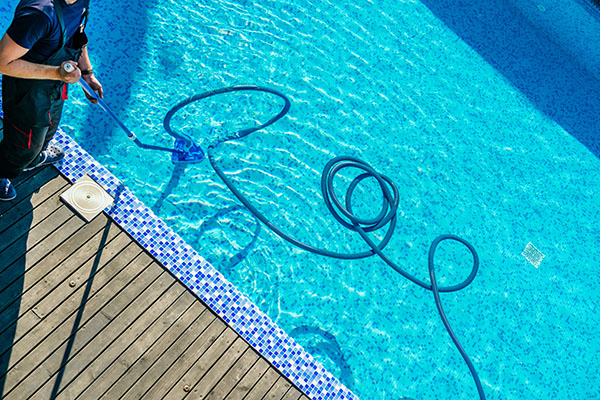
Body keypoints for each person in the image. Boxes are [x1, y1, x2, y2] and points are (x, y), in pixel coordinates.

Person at [0, 0, 103, 201]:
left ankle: (34, 159)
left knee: (48, 129)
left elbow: (77, 35)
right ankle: (2, 172)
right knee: (24, 144)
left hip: (53, 84)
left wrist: (87, 73)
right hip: (26, 89)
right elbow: (3, 62)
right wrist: (56, 73)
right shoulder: (39, 14)